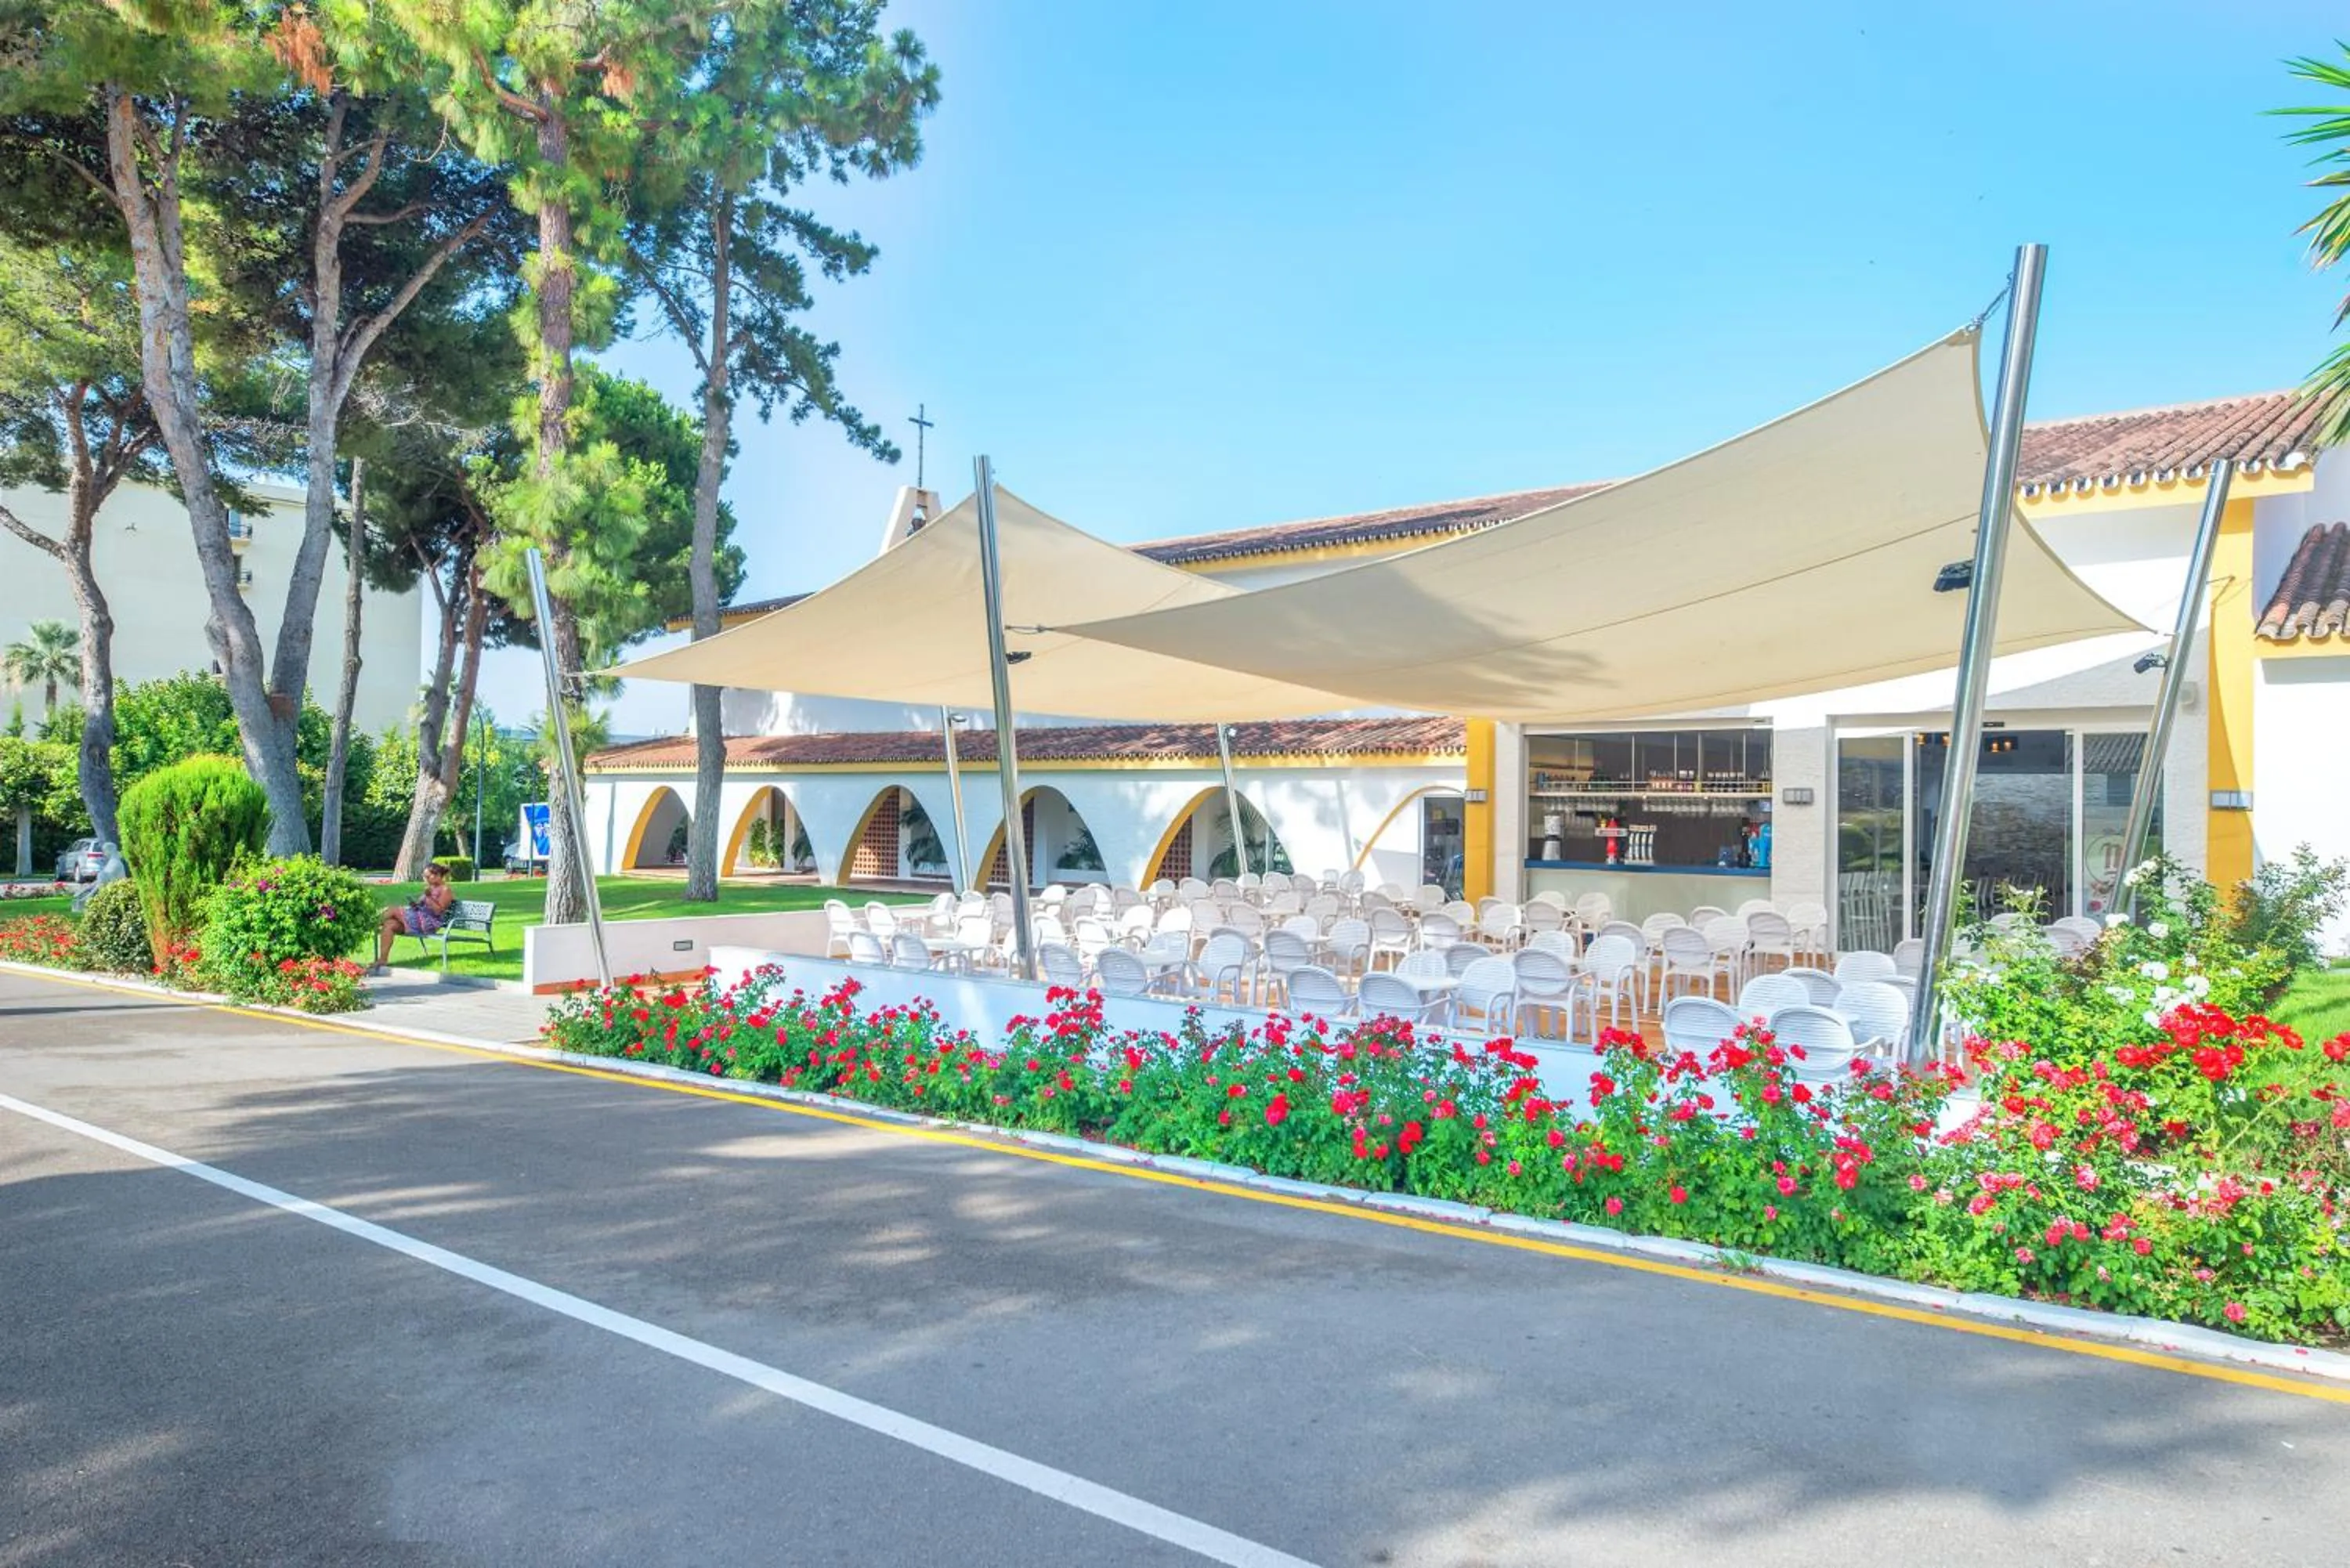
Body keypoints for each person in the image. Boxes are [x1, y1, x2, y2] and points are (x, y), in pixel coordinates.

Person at [374, 863, 456, 974]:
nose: (426, 880)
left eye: (428, 877)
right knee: (389, 924)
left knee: (394, 909)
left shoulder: (446, 890)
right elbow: (421, 906)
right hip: (418, 918)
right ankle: (383, 960)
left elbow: (438, 911)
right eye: (425, 877)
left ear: (438, 875)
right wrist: (415, 904)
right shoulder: (430, 888)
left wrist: (429, 897)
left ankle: (368, 925)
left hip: (429, 923)